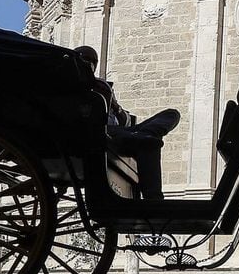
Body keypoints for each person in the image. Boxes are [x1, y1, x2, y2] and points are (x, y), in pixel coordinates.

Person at [75, 46, 179, 201]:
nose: (90, 64)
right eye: (85, 59)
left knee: (172, 114)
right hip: (100, 132)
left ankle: (144, 134)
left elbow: (126, 121)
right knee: (148, 142)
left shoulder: (102, 86)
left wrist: (114, 105)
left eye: (93, 61)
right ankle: (154, 200)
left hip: (123, 131)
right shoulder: (71, 85)